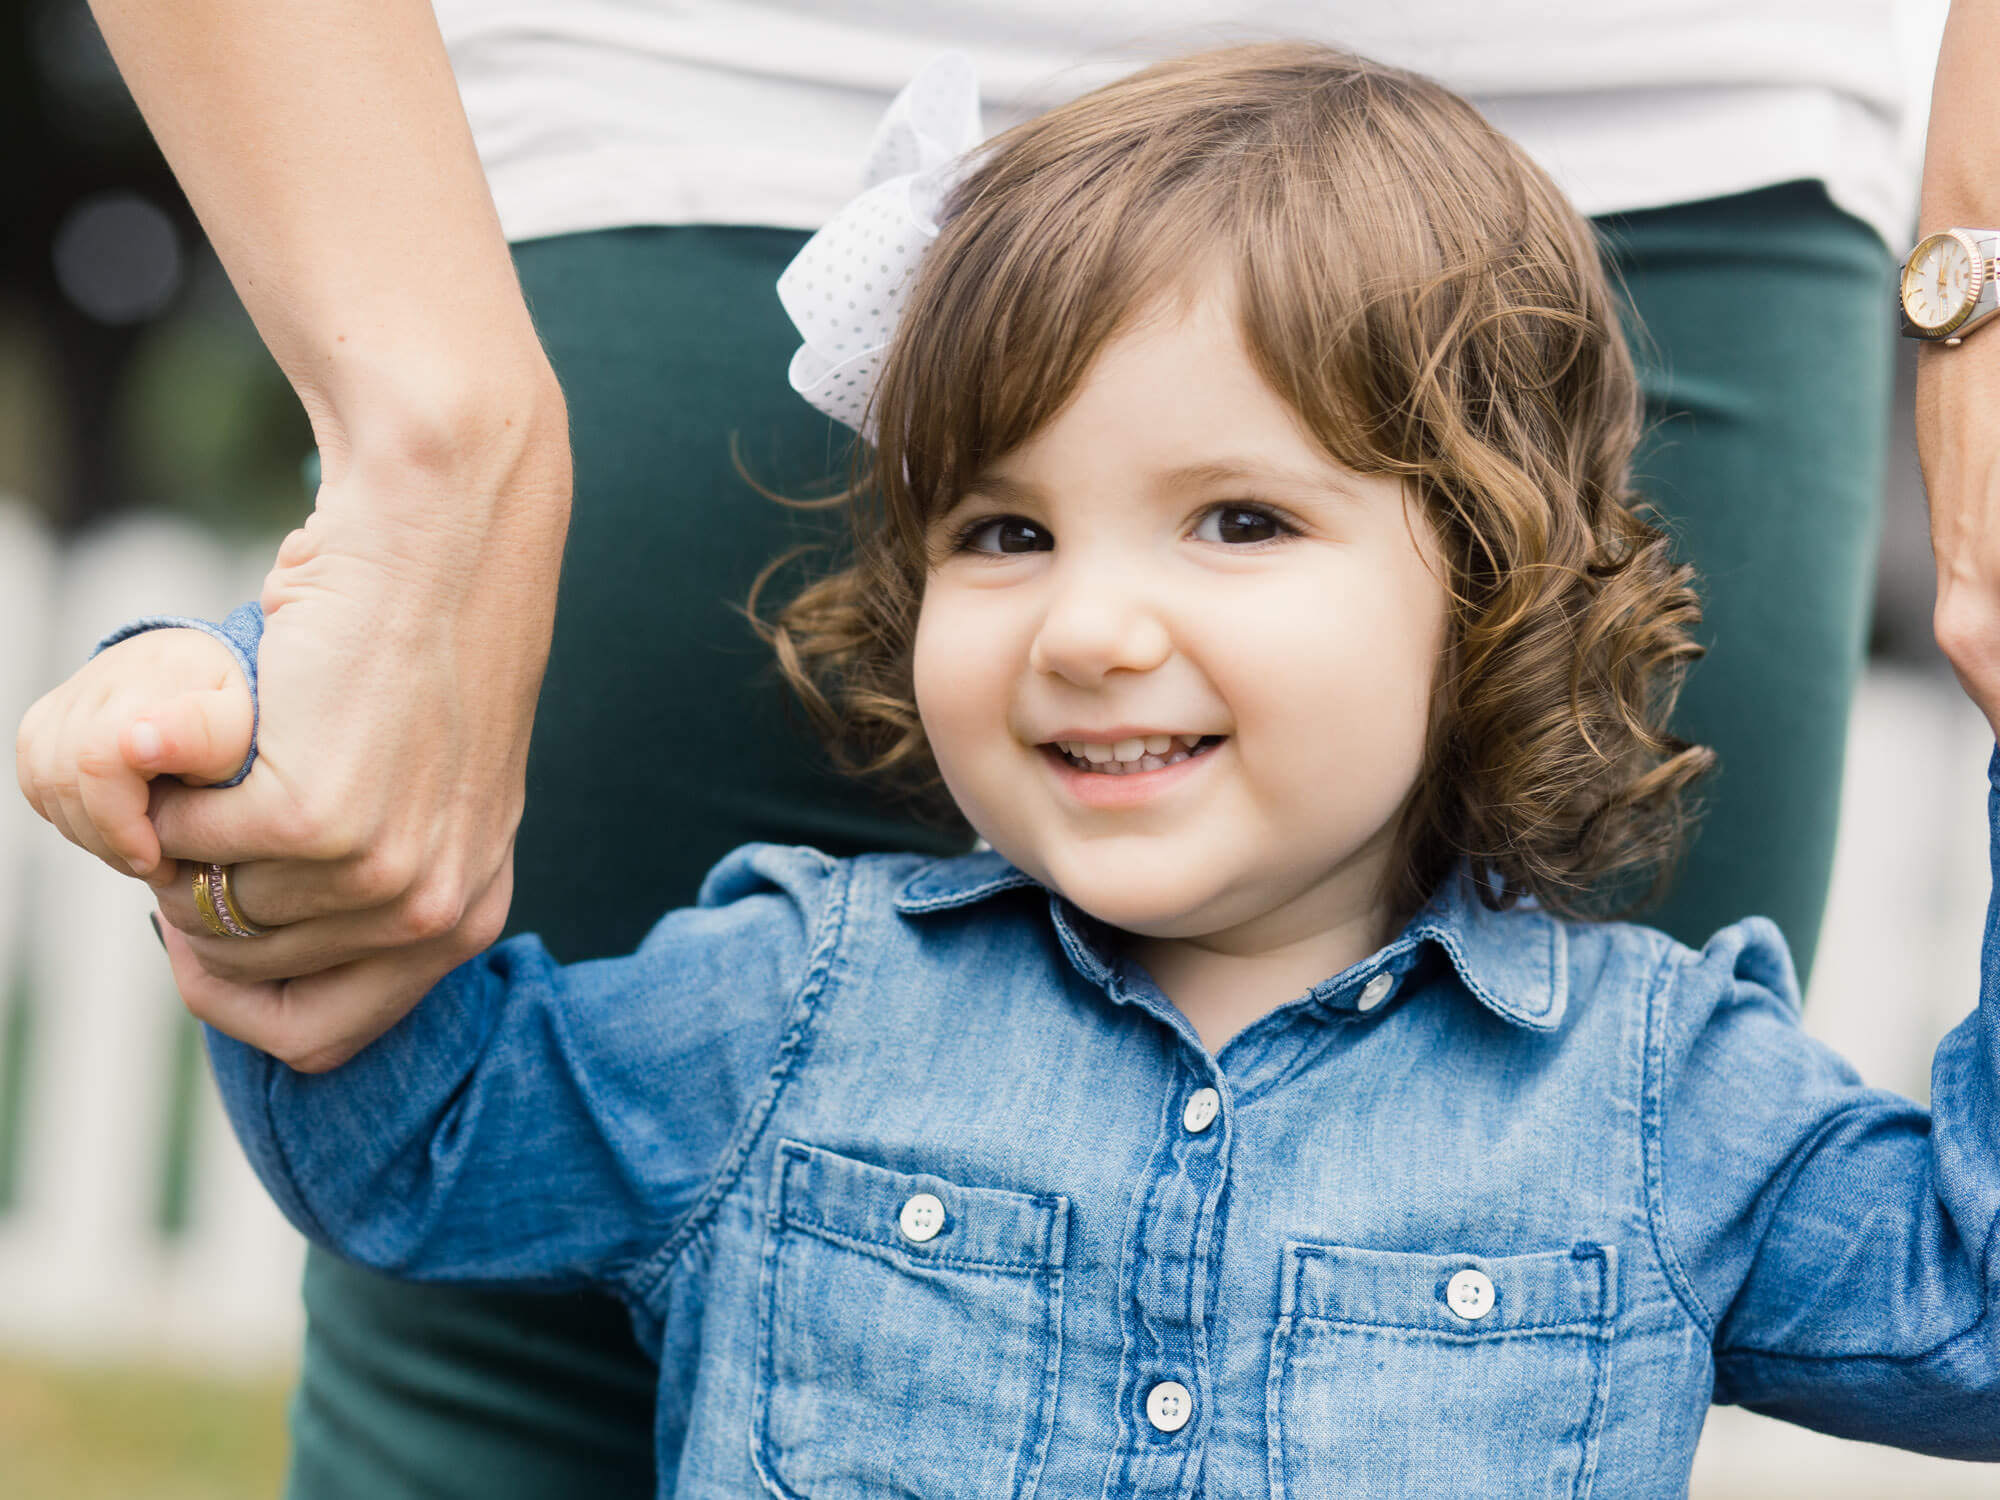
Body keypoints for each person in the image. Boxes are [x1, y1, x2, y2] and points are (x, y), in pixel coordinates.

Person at [20, 45, 2000, 1494]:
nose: (1088, 627)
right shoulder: (786, 1005)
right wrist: (236, 733)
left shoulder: (1666, 1102)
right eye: (1001, 530)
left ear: (1482, 587)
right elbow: (412, 1152)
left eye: (1234, 522)